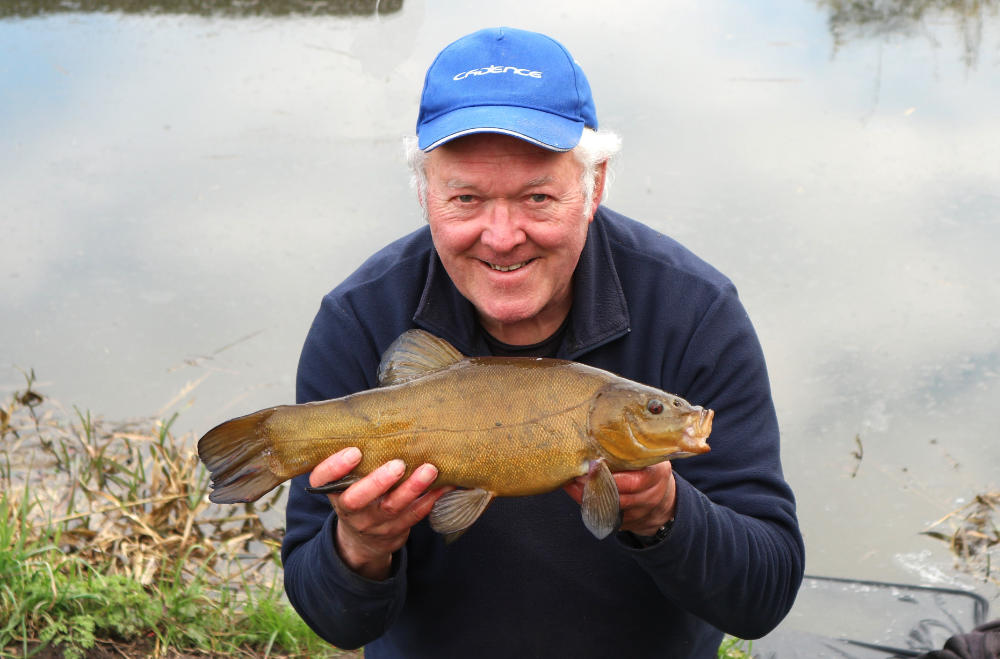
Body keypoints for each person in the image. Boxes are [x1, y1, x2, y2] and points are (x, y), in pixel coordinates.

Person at [281, 26, 805, 658]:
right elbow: (334, 624)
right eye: (466, 199)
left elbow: (764, 598)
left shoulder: (693, 312)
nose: (502, 237)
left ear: (594, 186)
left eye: (537, 197)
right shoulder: (360, 317)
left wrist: (665, 512)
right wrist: (360, 546)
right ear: (425, 195)